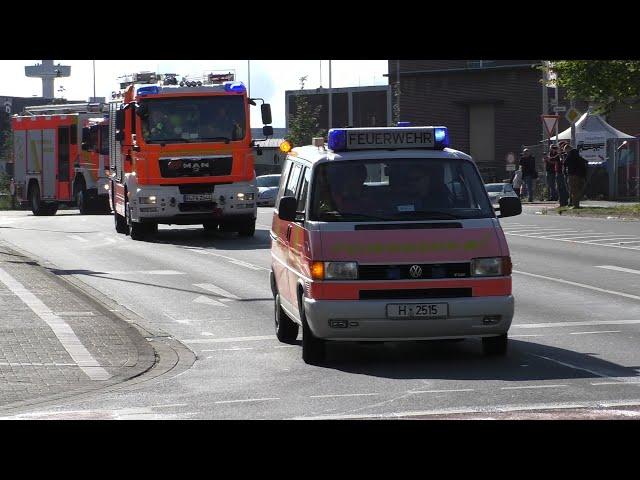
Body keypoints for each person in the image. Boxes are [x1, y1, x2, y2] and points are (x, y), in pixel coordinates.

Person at [556, 142, 570, 207]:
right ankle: (562, 202)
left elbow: (563, 163)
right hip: (558, 172)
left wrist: (560, 156)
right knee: (559, 188)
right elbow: (552, 158)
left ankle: (564, 202)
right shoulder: (559, 154)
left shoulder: (565, 155)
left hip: (562, 173)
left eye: (560, 147)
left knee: (563, 188)